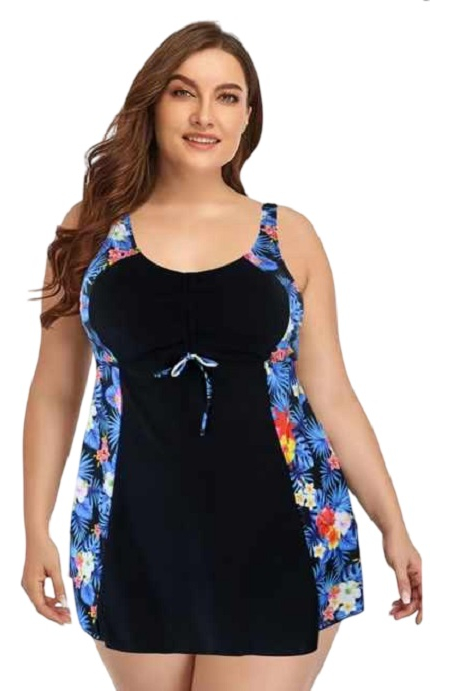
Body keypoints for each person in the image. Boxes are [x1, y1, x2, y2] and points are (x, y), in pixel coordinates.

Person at [21, 19, 422, 691]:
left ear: (248, 116)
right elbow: (55, 389)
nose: (205, 114)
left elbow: (332, 394)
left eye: (227, 96)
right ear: (152, 103)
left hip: (279, 529)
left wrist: (394, 522)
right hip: (130, 534)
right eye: (184, 92)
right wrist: (35, 528)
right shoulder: (89, 230)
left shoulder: (288, 234)